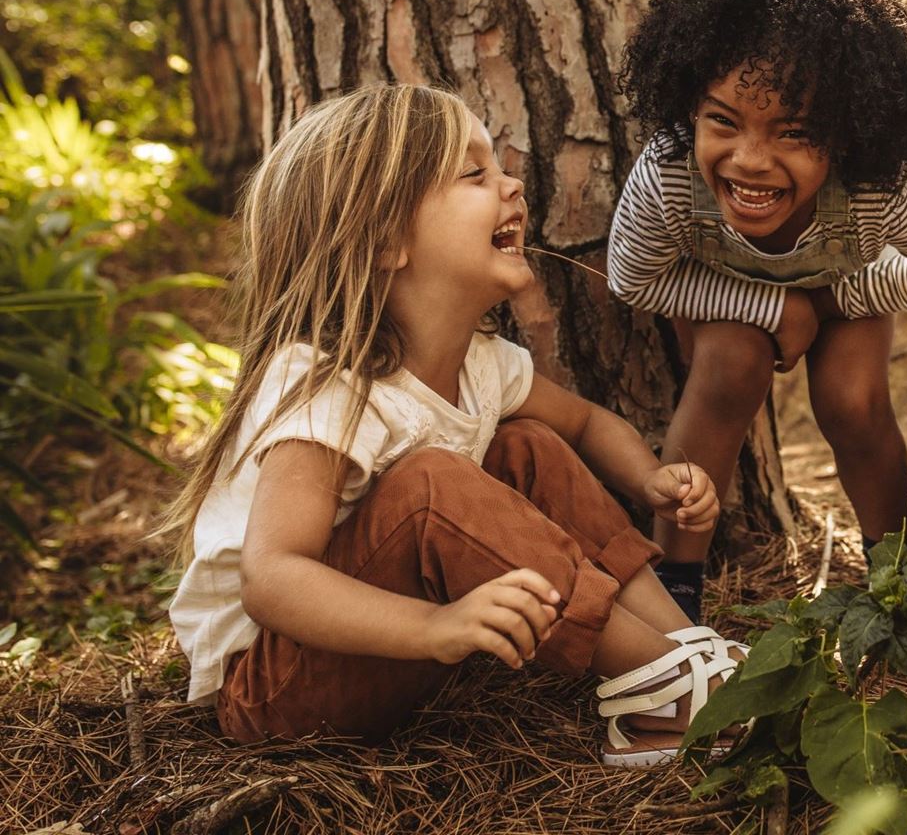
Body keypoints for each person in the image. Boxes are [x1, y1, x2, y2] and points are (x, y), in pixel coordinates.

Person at [163, 84, 744, 767]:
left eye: (498, 167)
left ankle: (681, 649)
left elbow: (584, 424)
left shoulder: (484, 364)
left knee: (526, 445)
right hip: (277, 687)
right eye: (475, 174)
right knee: (434, 482)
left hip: (384, 649)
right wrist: (435, 626)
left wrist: (649, 478)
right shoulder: (327, 384)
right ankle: (672, 691)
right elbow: (272, 578)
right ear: (384, 239)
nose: (512, 185)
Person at [607, 0, 907, 623]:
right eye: (723, 121)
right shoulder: (669, 173)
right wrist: (770, 308)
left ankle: (900, 583)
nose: (751, 159)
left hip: (845, 292)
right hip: (726, 300)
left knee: (852, 401)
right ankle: (674, 599)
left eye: (793, 133)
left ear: (848, 133)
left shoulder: (878, 185)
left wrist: (838, 296)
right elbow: (633, 278)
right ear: (689, 106)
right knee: (728, 365)